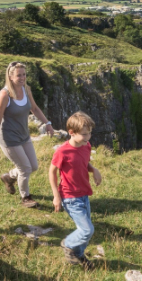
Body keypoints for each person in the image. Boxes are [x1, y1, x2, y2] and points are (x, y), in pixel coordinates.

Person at [0, 61, 54, 208]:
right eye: (19, 75)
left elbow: (35, 108)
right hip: (9, 138)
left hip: (24, 135)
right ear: (10, 76)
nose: (22, 78)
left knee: (33, 166)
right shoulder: (4, 95)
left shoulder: (26, 89)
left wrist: (48, 123)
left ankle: (9, 177)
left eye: (24, 74)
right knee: (25, 168)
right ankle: (26, 197)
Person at [49, 111, 102, 268]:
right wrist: (56, 196)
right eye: (84, 134)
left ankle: (78, 255)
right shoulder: (62, 151)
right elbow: (51, 171)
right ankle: (68, 244)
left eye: (90, 133)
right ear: (71, 133)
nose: (88, 138)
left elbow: (84, 163)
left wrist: (94, 170)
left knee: (85, 230)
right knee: (86, 230)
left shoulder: (86, 146)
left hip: (84, 194)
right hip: (70, 197)